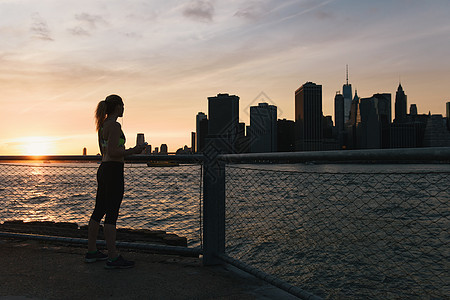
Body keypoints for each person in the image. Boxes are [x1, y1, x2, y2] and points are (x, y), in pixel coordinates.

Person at [86, 94, 146, 268]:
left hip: (104, 170)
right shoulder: (114, 125)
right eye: (123, 105)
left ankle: (92, 251)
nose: (124, 108)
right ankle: (113, 257)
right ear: (117, 107)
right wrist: (134, 150)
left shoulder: (102, 126)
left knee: (98, 211)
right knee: (112, 214)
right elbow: (113, 152)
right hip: (113, 171)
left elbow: (104, 151)